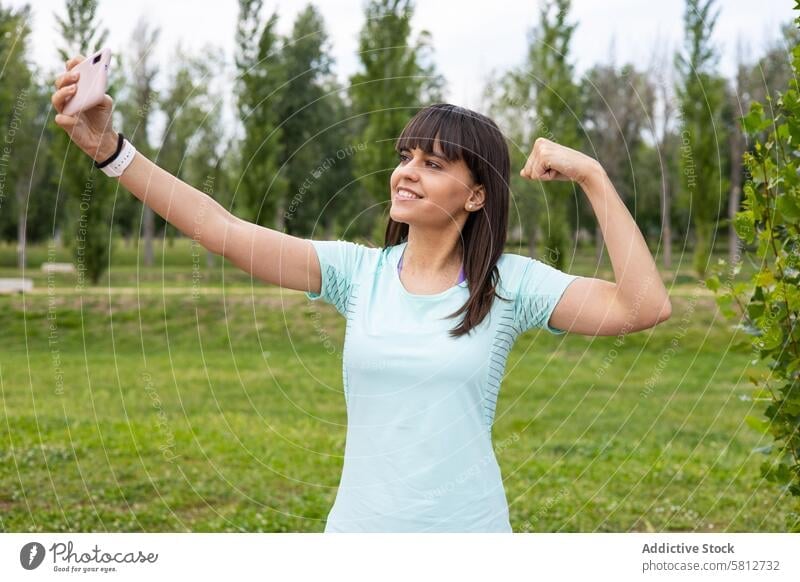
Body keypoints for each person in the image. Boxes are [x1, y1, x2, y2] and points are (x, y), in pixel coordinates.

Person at [52, 54, 671, 533]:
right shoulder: (357, 273)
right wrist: (111, 153)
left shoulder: (511, 286)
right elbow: (221, 229)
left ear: (477, 194)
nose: (407, 171)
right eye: (408, 156)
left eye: (434, 164)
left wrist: (591, 174)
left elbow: (644, 306)